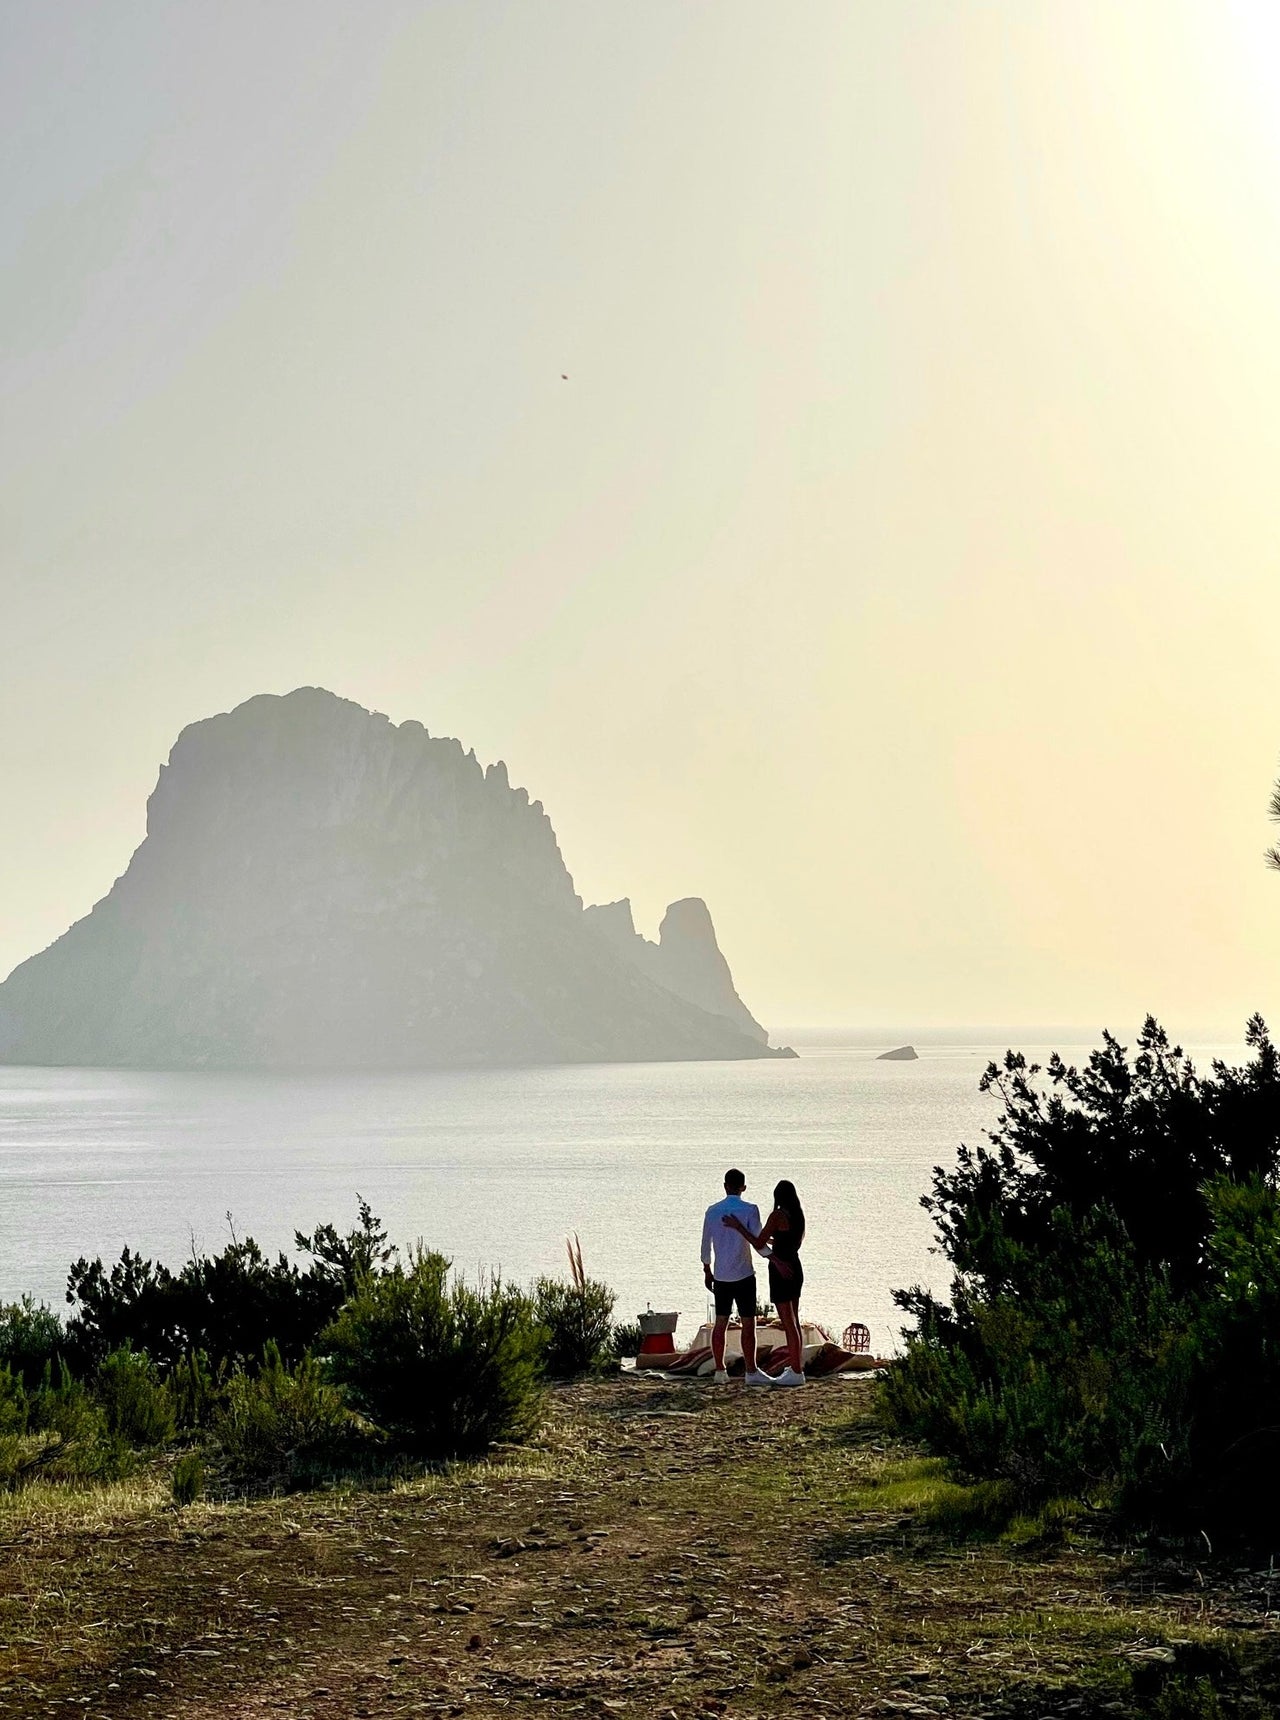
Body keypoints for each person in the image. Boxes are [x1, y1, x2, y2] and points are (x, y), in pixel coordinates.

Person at [723, 1179, 807, 1386]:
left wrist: (739, 1227)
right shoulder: (798, 1216)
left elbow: (759, 1243)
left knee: (788, 1323)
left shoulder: (777, 1215)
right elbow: (781, 1239)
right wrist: (768, 1237)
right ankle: (797, 1367)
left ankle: (796, 1372)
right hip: (795, 1266)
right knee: (794, 1321)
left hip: (781, 1270)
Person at [700, 1169, 774, 1386]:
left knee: (720, 1323)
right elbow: (759, 1244)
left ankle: (720, 1370)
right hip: (744, 1275)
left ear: (725, 1186)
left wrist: (707, 1270)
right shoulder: (750, 1210)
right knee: (748, 1323)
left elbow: (706, 1246)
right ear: (743, 1187)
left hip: (722, 1276)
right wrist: (775, 1258)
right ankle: (751, 1371)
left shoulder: (712, 1211)